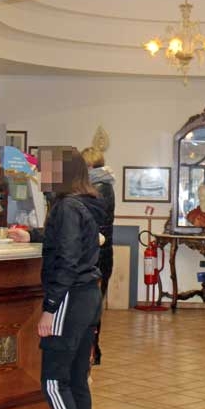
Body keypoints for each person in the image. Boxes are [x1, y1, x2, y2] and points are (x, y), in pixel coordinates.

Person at [10, 147, 104, 409]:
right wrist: (33, 235)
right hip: (88, 295)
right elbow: (69, 241)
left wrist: (50, 308)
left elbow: (66, 260)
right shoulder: (83, 204)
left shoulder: (65, 207)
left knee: (53, 380)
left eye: (48, 170)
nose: (42, 175)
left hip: (69, 297)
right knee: (77, 378)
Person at [81, 147, 115, 366]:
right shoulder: (105, 184)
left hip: (96, 253)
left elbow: (88, 222)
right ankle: (93, 350)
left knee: (91, 307)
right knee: (94, 305)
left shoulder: (97, 187)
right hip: (103, 252)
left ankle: (91, 351)